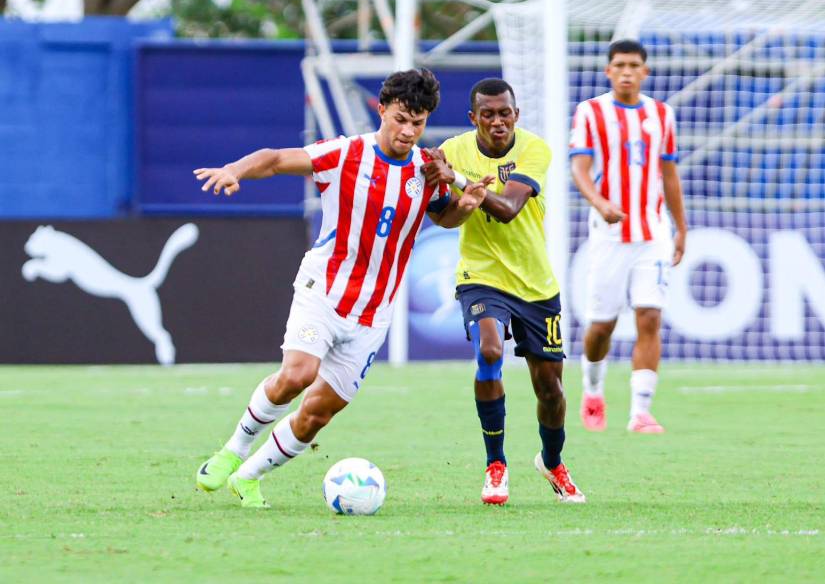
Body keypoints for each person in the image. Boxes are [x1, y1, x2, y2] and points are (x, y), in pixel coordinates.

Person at [193, 68, 490, 508]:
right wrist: (235, 169)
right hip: (325, 291)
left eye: (418, 122)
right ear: (383, 110)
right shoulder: (346, 154)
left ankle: (249, 477)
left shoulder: (427, 170)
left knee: (318, 414)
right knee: (297, 375)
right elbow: (275, 159)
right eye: (401, 119)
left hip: (374, 313)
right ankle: (232, 451)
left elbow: (443, 217)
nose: (408, 131)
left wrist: (464, 207)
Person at [423, 78, 585, 505]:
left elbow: (510, 209)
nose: (498, 122)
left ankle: (552, 462)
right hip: (481, 275)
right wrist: (452, 197)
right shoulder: (453, 150)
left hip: (535, 284)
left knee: (550, 391)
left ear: (516, 115)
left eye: (505, 113)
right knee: (490, 351)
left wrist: (457, 179)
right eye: (488, 114)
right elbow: (443, 218)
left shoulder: (534, 149)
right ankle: (496, 466)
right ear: (473, 118)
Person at [569, 39, 687, 434]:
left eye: (634, 65)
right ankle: (592, 388)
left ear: (644, 72)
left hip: (653, 232)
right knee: (601, 326)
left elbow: (669, 174)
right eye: (619, 64)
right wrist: (600, 202)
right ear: (608, 71)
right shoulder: (590, 112)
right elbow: (580, 169)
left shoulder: (661, 115)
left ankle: (640, 412)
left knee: (650, 316)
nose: (626, 71)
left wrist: (681, 227)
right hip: (609, 234)